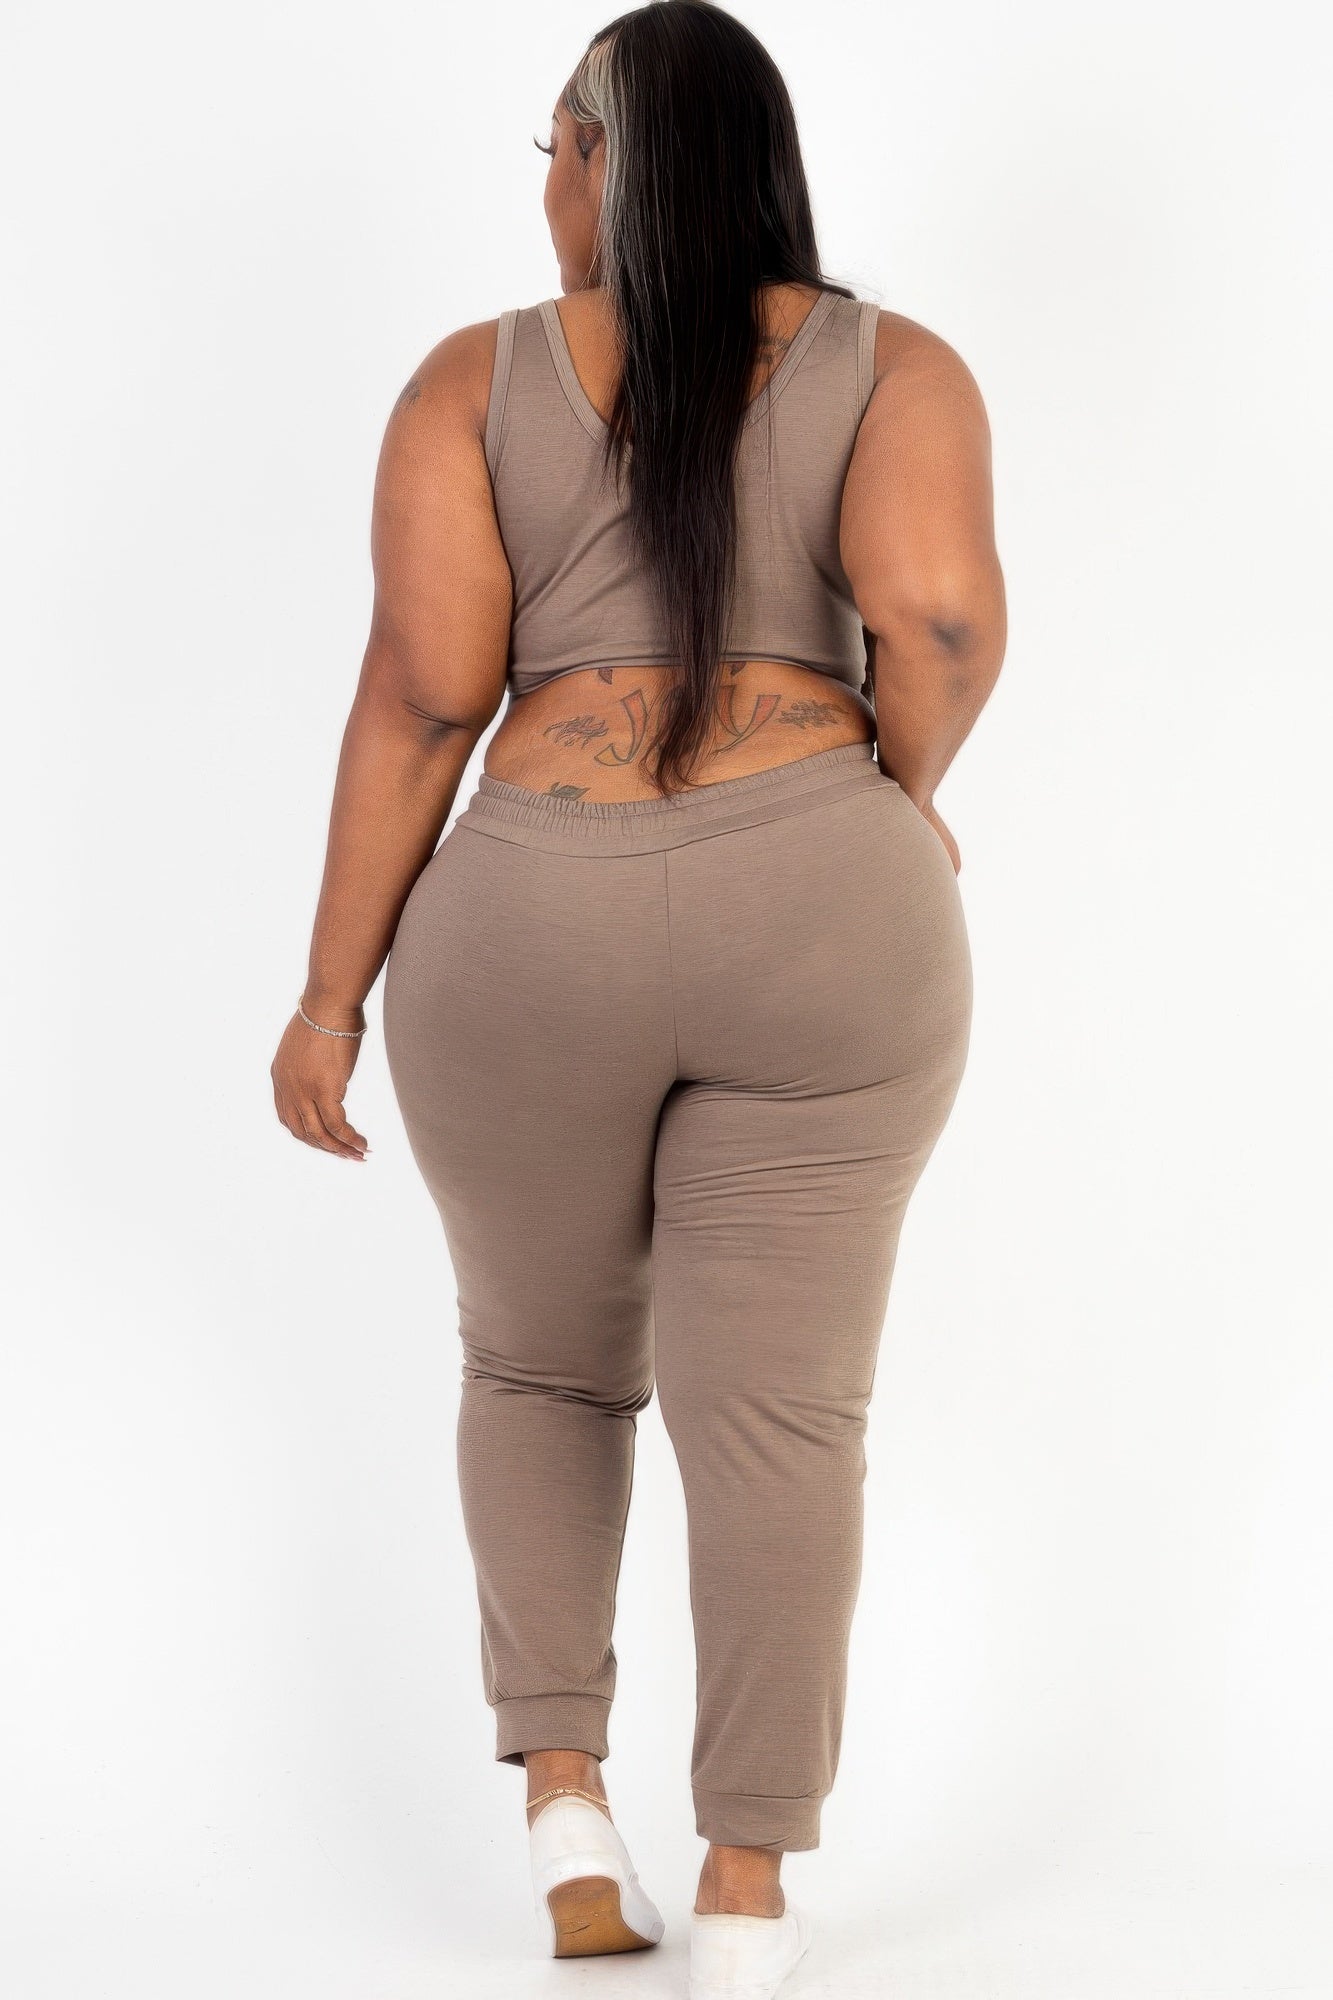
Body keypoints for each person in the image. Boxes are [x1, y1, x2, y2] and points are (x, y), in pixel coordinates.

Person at [269, 3, 1005, 1993]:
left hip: (534, 913)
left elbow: (425, 695)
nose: (545, 190)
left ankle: (568, 1813)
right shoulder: (895, 365)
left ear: (609, 162)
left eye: (555, 148)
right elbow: (937, 617)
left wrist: (329, 997)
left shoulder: (473, 379)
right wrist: (887, 801)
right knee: (783, 1413)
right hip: (822, 901)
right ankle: (749, 1889)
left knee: (538, 1368)